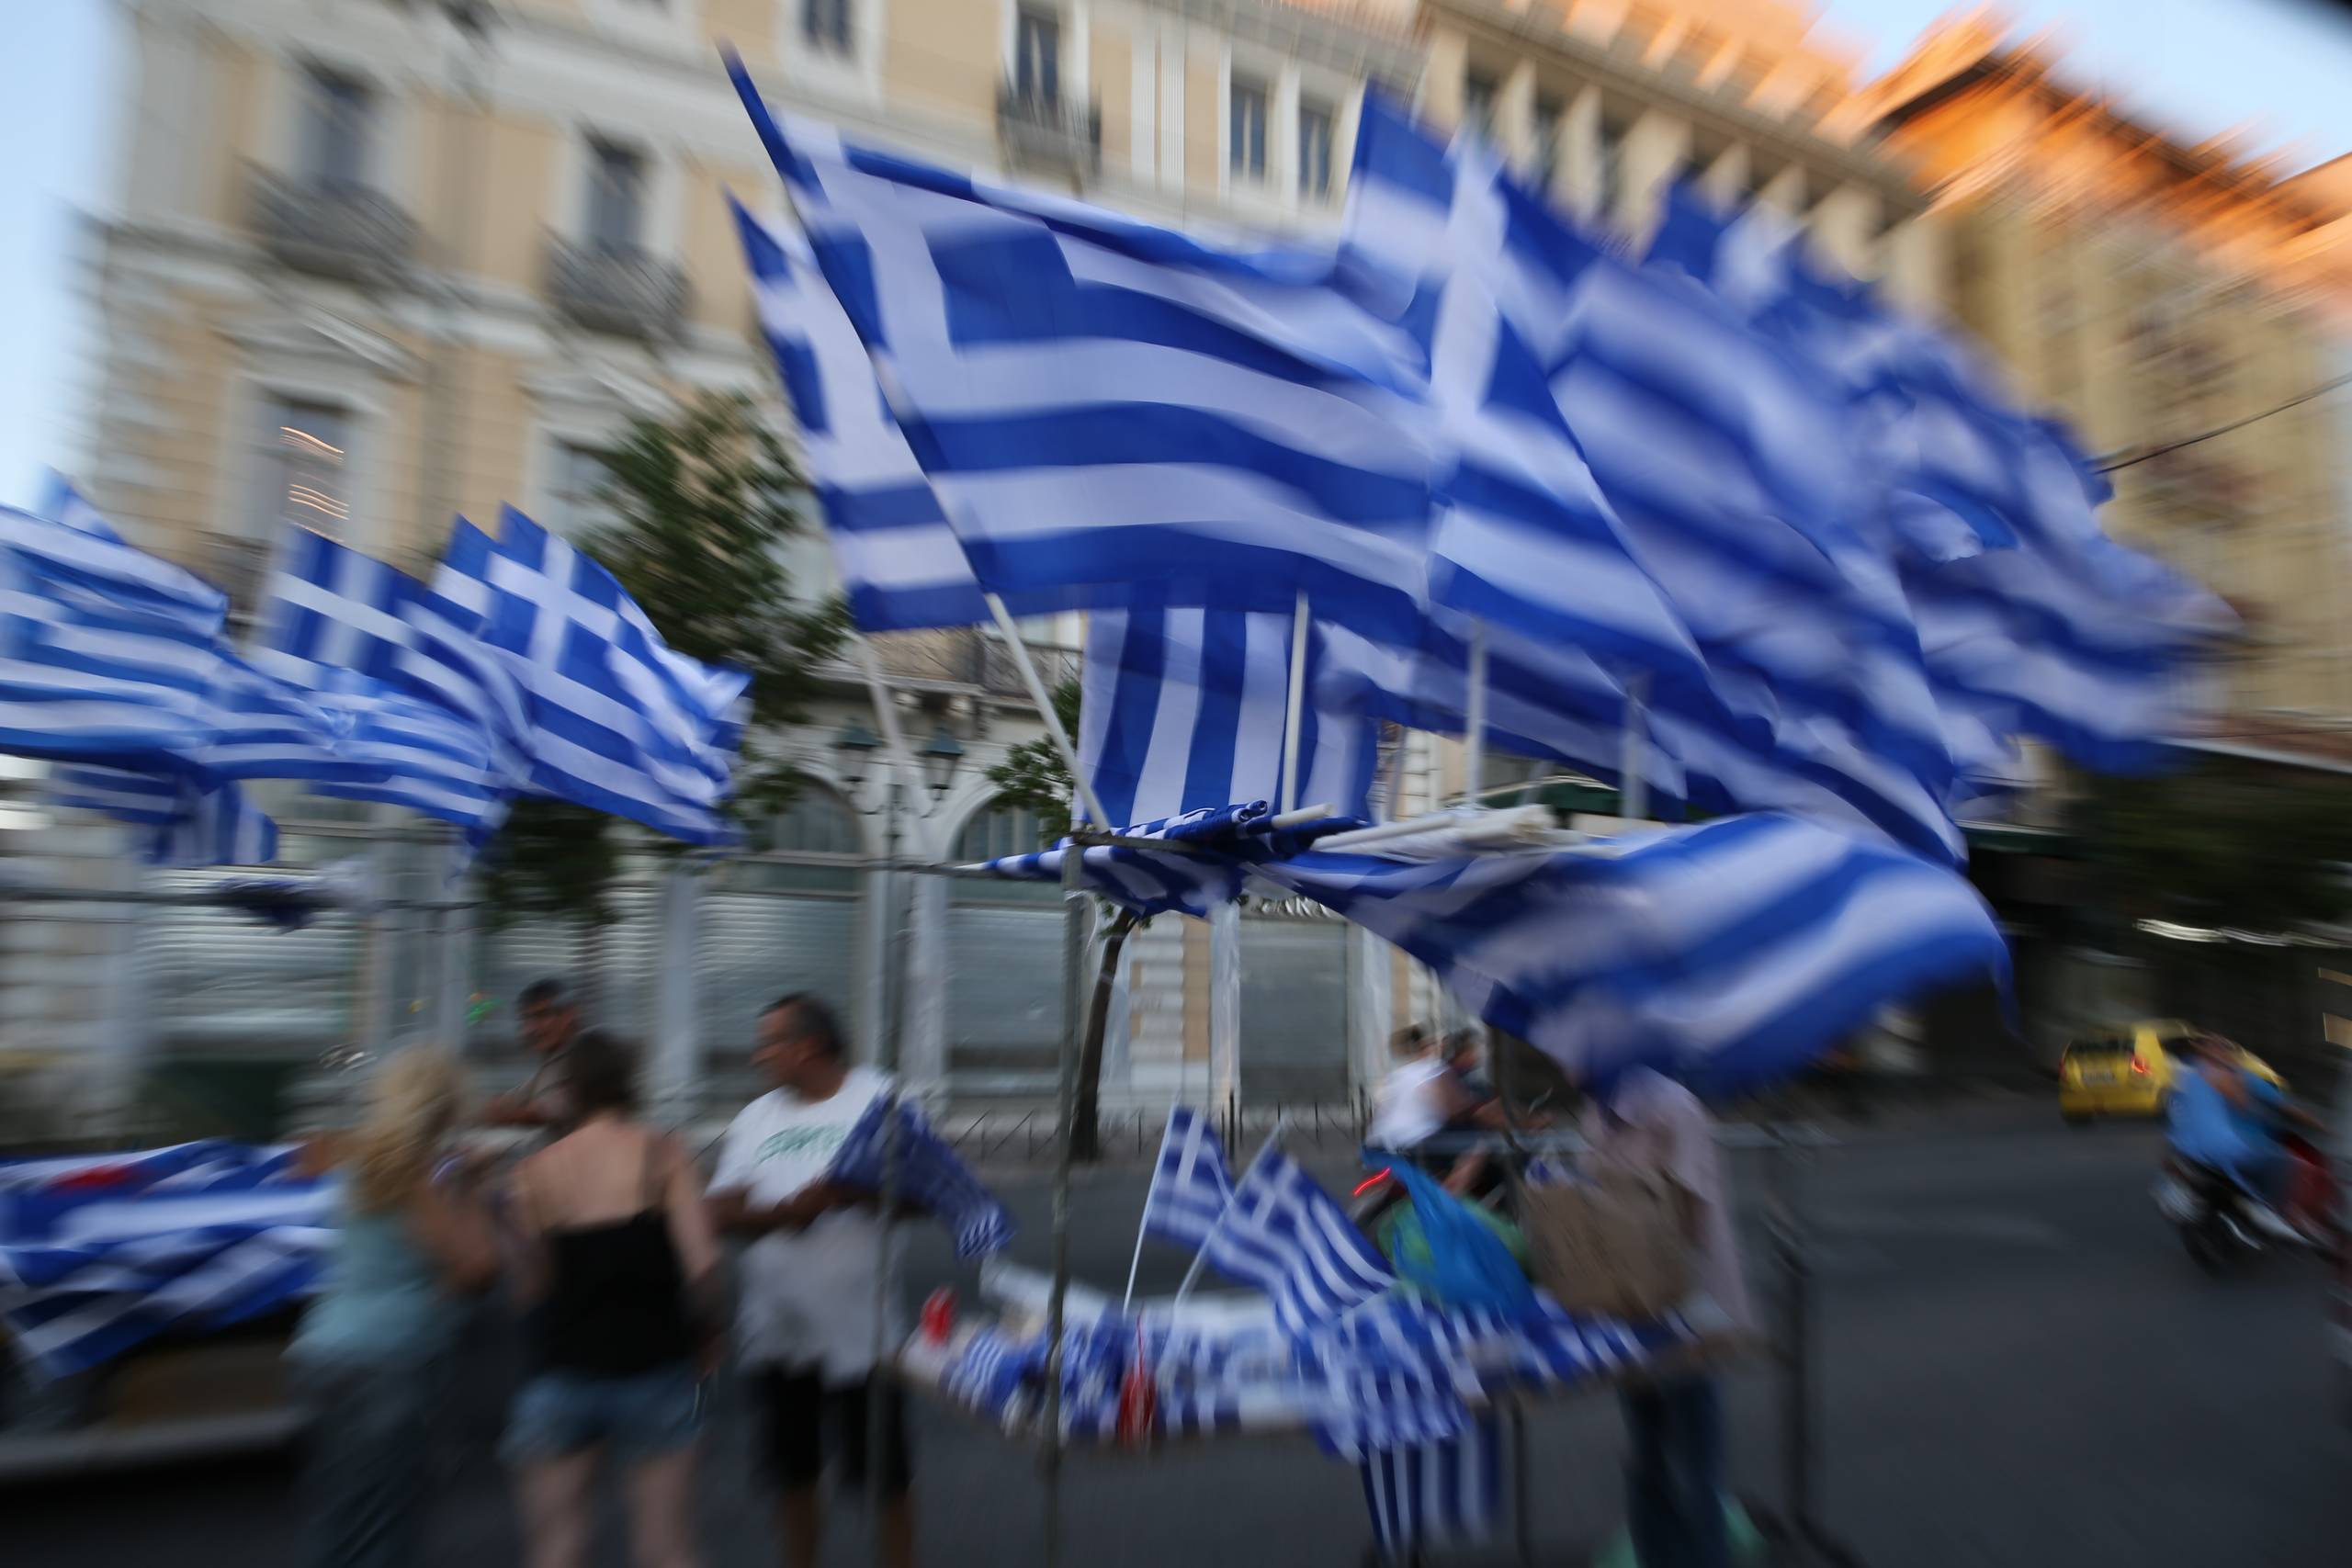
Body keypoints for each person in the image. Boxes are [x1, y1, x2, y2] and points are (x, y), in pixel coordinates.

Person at [503, 1028, 723, 1568]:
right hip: (657, 1366)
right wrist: (710, 1335)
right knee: (666, 1548)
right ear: (627, 1084)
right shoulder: (664, 1154)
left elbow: (530, 1287)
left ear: (570, 1091)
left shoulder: (532, 1172)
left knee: (556, 1547)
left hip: (561, 1371)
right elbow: (704, 1265)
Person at [707, 995, 913, 1568]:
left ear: (809, 1046)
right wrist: (788, 1214)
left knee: (885, 1480)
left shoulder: (883, 1099)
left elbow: (930, 1195)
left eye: (769, 1043)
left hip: (866, 1337)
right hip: (777, 1334)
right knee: (792, 1475)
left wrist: (851, 1193)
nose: (758, 1056)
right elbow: (718, 1209)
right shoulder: (757, 1117)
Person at [289, 1045, 501, 1568]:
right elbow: (478, 1268)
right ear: (445, 1111)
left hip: (326, 1347)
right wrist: (474, 1187)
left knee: (340, 1514)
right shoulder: (410, 1176)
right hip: (389, 1360)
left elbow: (305, 1159)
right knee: (385, 1525)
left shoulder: (359, 1161)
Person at [1581, 1066, 1752, 1568]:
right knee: (1646, 1455)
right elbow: (1593, 1191)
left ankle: (1704, 1557)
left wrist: (1632, 1234)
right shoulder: (1597, 1110)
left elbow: (1690, 1216)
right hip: (1631, 1307)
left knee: (1695, 1464)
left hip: (1687, 1308)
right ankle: (1656, 1555)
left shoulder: (1674, 1107)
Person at [486, 977, 582, 1132]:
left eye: (542, 1015)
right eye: (527, 1019)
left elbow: (550, 1110)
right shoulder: (552, 1062)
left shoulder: (586, 1058)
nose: (532, 1029)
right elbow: (514, 1098)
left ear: (568, 1015)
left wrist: (505, 1115)